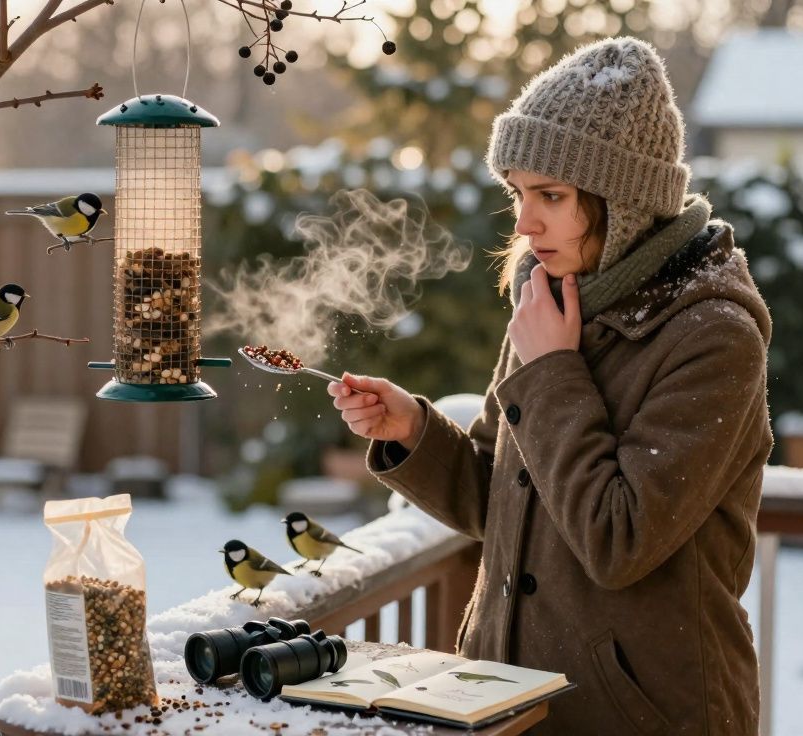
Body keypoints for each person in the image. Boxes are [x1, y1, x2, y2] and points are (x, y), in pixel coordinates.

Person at [328, 36, 773, 735]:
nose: (525, 222)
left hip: (646, 714)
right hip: (508, 702)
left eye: (552, 195)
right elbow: (499, 500)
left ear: (622, 201)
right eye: (518, 193)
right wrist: (413, 431)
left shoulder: (713, 335)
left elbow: (618, 540)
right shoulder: (552, 306)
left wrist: (553, 372)